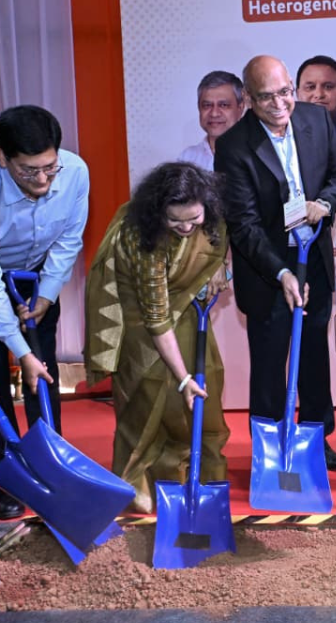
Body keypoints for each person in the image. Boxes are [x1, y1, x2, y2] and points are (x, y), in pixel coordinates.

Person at [0, 105, 89, 520]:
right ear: (2, 157)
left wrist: (46, 294)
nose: (43, 181)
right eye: (29, 171)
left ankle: (52, 467)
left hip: (37, 268)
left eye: (49, 168)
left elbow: (68, 240)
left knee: (44, 369)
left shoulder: (75, 171)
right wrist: (17, 350)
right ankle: (8, 476)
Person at [215, 55, 336, 470]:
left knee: (313, 354)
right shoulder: (234, 146)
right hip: (267, 267)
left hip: (316, 260)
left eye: (284, 92)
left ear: (293, 87)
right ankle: (269, 447)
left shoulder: (316, 119)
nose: (279, 104)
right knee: (271, 361)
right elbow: (244, 224)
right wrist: (281, 272)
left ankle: (314, 438)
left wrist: (325, 203)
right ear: (248, 100)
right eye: (266, 97)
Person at [84, 162, 230, 514]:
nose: (185, 228)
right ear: (158, 212)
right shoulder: (142, 239)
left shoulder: (210, 216)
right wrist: (182, 379)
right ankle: (138, 482)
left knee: (204, 389)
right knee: (149, 397)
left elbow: (216, 245)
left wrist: (219, 267)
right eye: (175, 221)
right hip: (142, 321)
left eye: (192, 220)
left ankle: (188, 475)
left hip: (184, 311)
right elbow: (156, 318)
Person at [178, 71, 245, 170]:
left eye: (223, 105)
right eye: (207, 105)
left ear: (240, 108)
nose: (214, 113)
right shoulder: (187, 159)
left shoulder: (256, 155)